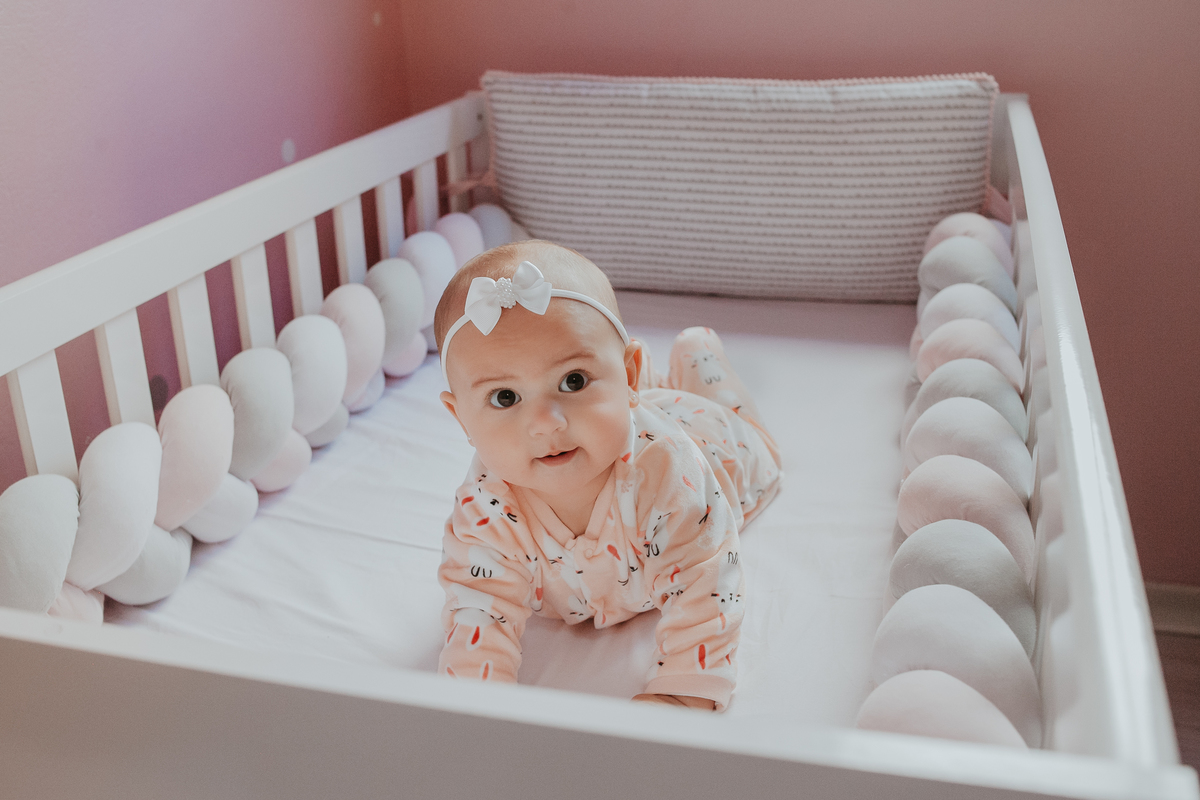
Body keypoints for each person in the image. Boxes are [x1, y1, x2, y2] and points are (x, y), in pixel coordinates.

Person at [433, 240, 781, 711]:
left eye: (572, 380)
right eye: (505, 398)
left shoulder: (669, 476)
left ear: (627, 373)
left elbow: (707, 582)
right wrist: (478, 708)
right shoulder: (485, 508)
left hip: (711, 437)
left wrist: (680, 693)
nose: (545, 423)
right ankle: (634, 386)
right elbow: (478, 607)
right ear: (462, 420)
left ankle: (698, 353)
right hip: (623, 413)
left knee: (731, 414)